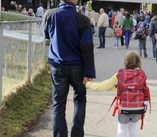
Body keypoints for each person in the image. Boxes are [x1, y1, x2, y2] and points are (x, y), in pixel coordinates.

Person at [42, 0, 96, 136]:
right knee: (80, 99)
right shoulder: (83, 19)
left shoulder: (49, 14)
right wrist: (89, 72)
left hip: (57, 65)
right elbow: (87, 47)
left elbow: (47, 35)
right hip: (77, 65)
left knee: (58, 104)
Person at [85, 51, 150, 137]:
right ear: (138, 63)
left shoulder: (119, 75)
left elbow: (103, 86)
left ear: (125, 62)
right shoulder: (142, 75)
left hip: (124, 108)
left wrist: (88, 84)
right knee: (133, 128)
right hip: (138, 108)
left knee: (122, 129)